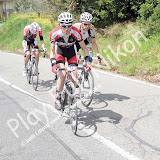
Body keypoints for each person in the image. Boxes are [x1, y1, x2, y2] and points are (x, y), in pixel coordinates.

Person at [50, 12, 91, 110]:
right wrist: (53, 63)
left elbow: (84, 48)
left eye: (69, 26)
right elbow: (52, 51)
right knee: (63, 74)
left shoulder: (76, 32)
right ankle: (58, 97)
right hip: (60, 52)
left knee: (74, 76)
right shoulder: (54, 33)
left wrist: (87, 62)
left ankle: (72, 95)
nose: (66, 29)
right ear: (60, 25)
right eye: (64, 26)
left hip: (71, 52)